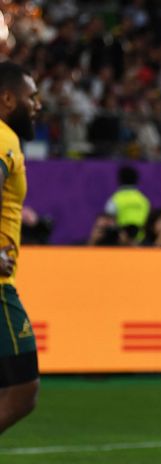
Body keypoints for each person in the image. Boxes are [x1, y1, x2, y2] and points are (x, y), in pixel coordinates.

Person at [0, 61, 41, 435]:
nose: (37, 105)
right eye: (31, 97)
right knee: (22, 391)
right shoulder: (3, 138)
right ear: (8, 99)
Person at [104, 165, 150, 241]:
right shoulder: (143, 200)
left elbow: (108, 221)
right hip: (140, 240)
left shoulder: (115, 199)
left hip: (120, 240)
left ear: (119, 180)